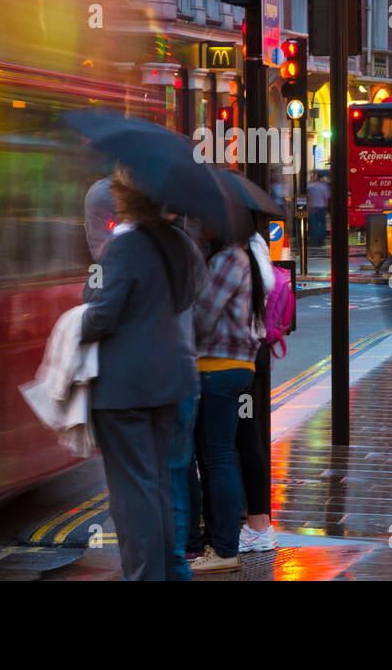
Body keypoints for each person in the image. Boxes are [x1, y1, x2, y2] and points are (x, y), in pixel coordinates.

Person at [80, 169, 203, 580]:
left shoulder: (123, 247)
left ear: (125, 200)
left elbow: (101, 314)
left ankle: (144, 575)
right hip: (171, 381)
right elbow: (191, 294)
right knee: (157, 486)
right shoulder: (178, 243)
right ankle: (164, 572)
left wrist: (72, 323)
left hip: (124, 389)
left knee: (132, 494)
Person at [189, 220, 262, 574]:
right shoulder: (237, 257)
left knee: (216, 458)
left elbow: (202, 317)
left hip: (219, 366)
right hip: (230, 366)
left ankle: (224, 547)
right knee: (216, 456)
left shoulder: (229, 259)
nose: (201, 226)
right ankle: (220, 543)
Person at [236, 215, 278, 553]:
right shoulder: (258, 245)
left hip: (241, 352)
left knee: (240, 439)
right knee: (247, 437)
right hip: (256, 350)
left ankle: (258, 524)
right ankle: (258, 522)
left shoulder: (238, 253)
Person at [306, 174, 330, 249]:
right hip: (321, 207)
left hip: (312, 208)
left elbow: (307, 197)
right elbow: (326, 198)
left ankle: (315, 240)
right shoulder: (323, 187)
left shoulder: (310, 186)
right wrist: (326, 206)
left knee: (314, 225)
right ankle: (321, 240)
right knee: (322, 224)